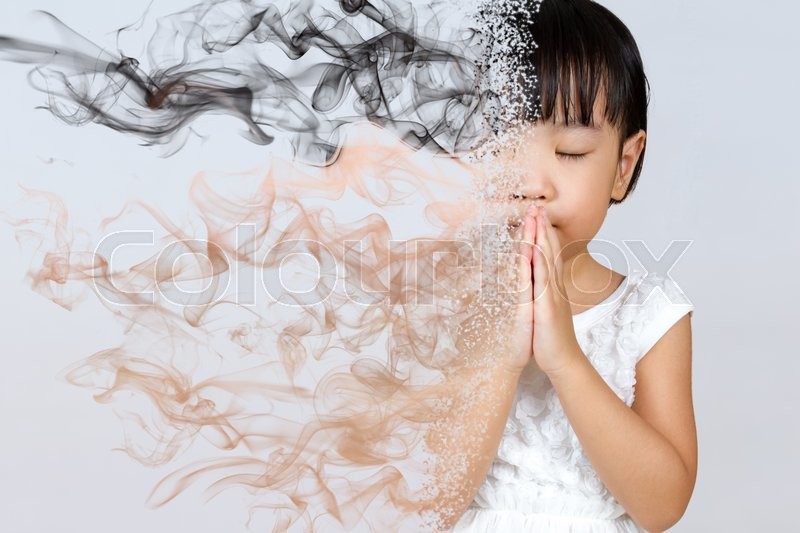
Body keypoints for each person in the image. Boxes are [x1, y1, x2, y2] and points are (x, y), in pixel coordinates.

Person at [429, 1, 698, 531]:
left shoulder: (651, 314)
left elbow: (663, 506)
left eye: (571, 151)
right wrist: (502, 361)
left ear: (622, 167)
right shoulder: (438, 300)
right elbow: (422, 503)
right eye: (500, 145)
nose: (531, 184)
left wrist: (565, 360)